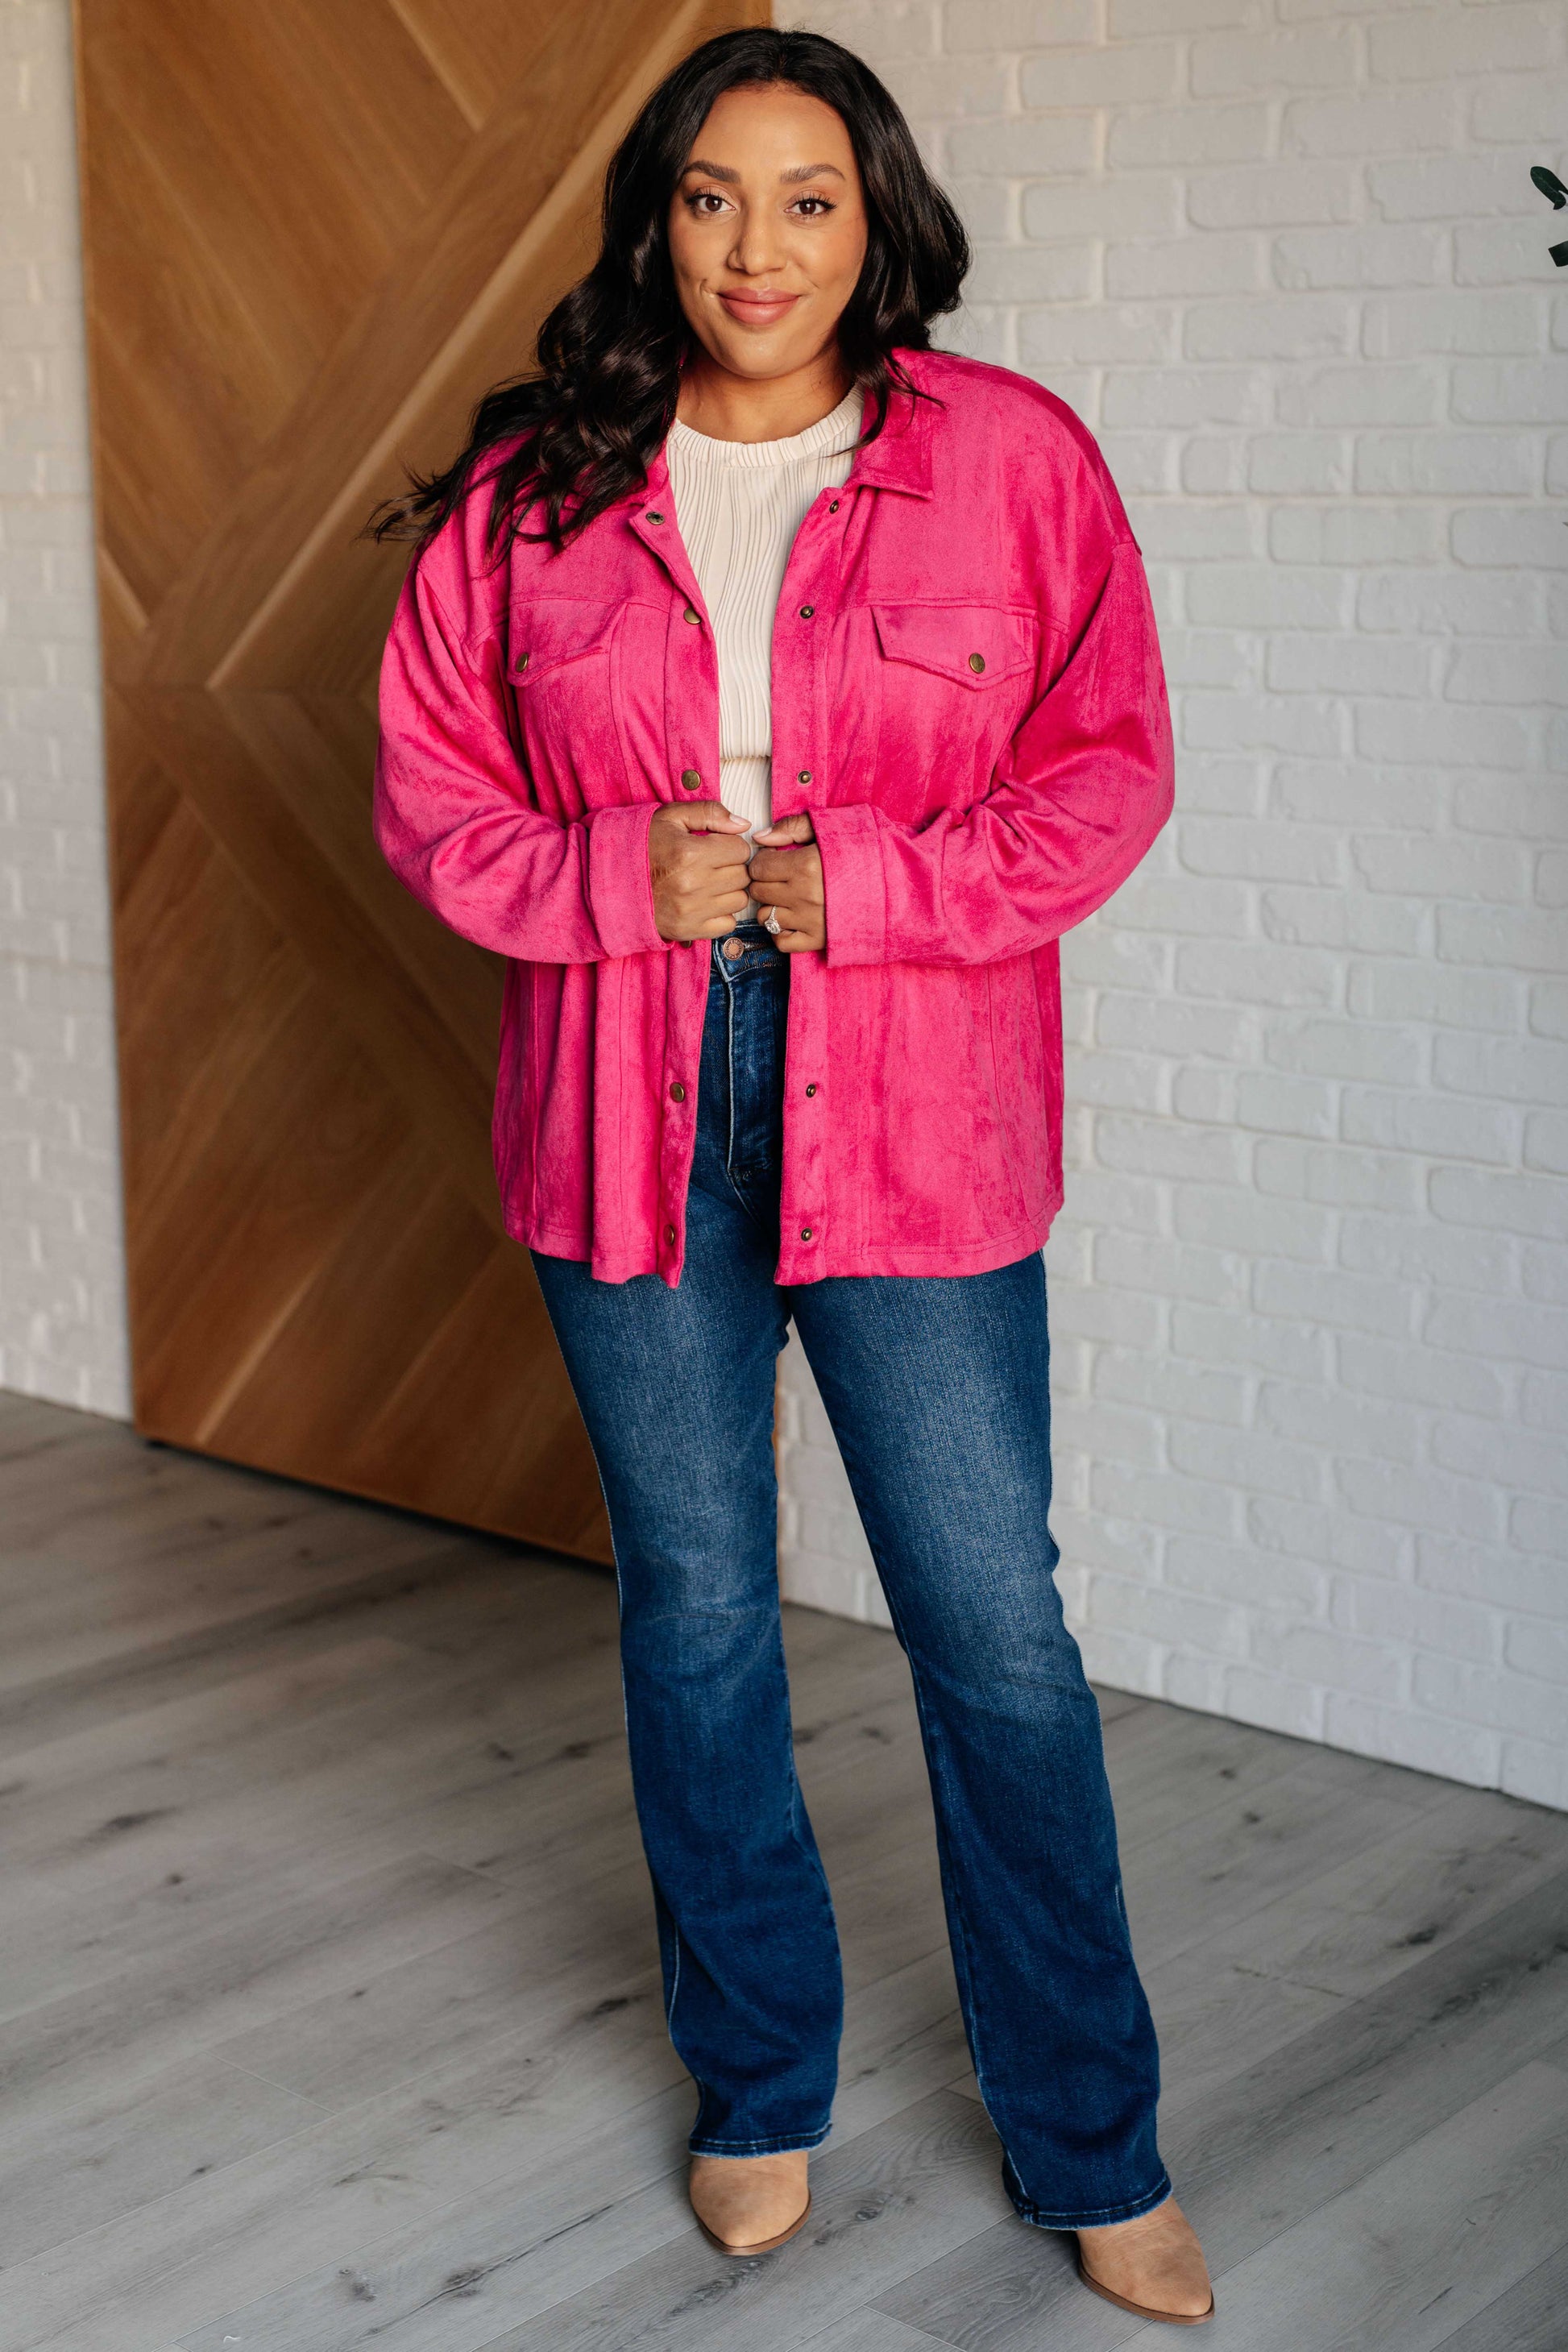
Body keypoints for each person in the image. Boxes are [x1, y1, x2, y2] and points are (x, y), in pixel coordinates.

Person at [372, 26, 1213, 2327]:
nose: (761, 247)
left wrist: (874, 886)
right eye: (715, 197)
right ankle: (757, 2087)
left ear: (877, 219)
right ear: (656, 218)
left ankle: (1091, 2139)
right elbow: (434, 798)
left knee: (993, 1633)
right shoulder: (532, 485)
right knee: (703, 1620)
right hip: (621, 1104)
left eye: (810, 199)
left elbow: (1105, 771)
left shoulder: (1008, 461)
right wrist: (610, 880)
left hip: (916, 1098)